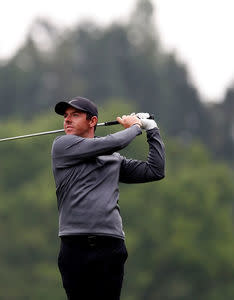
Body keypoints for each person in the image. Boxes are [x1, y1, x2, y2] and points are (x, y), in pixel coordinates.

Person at [51, 96, 165, 300]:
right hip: (74, 246)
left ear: (92, 121)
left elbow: (155, 170)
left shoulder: (114, 160)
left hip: (110, 246)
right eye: (66, 116)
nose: (67, 120)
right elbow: (114, 142)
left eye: (75, 115)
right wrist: (135, 126)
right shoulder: (62, 146)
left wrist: (152, 129)